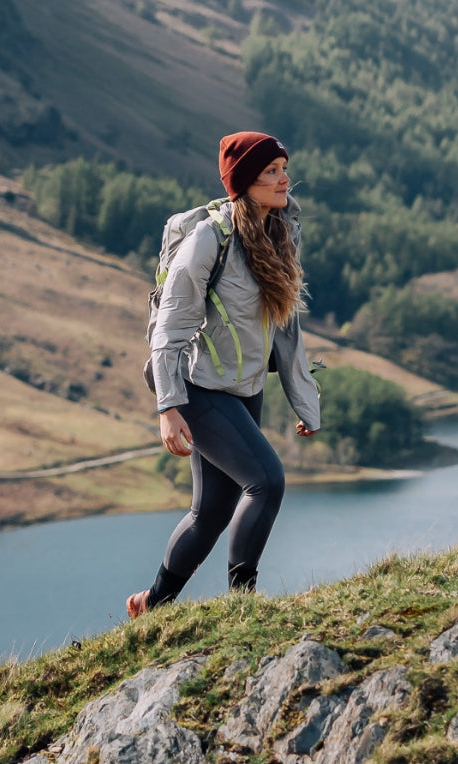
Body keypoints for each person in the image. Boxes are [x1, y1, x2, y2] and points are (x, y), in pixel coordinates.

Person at [128, 131, 321, 618]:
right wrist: (169, 408)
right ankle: (243, 606)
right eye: (271, 171)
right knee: (267, 482)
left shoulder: (280, 231)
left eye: (283, 167)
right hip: (199, 388)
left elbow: (285, 326)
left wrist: (304, 399)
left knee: (210, 511)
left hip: (244, 389)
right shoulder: (208, 241)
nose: (284, 179)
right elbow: (170, 328)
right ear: (244, 183)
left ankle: (152, 605)